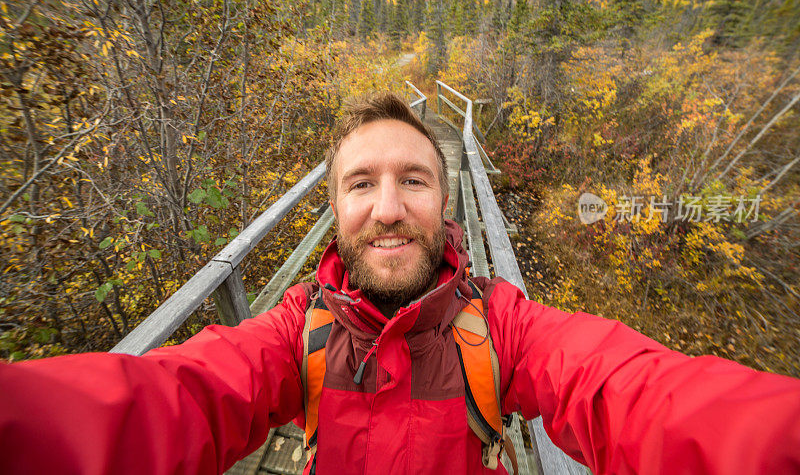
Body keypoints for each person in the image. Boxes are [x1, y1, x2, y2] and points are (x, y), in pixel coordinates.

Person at [1, 92, 799, 475]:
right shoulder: (297, 330)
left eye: (414, 179)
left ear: (446, 203)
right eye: (360, 184)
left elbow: (638, 393)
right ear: (334, 210)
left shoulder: (502, 327)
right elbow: (171, 396)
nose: (388, 209)